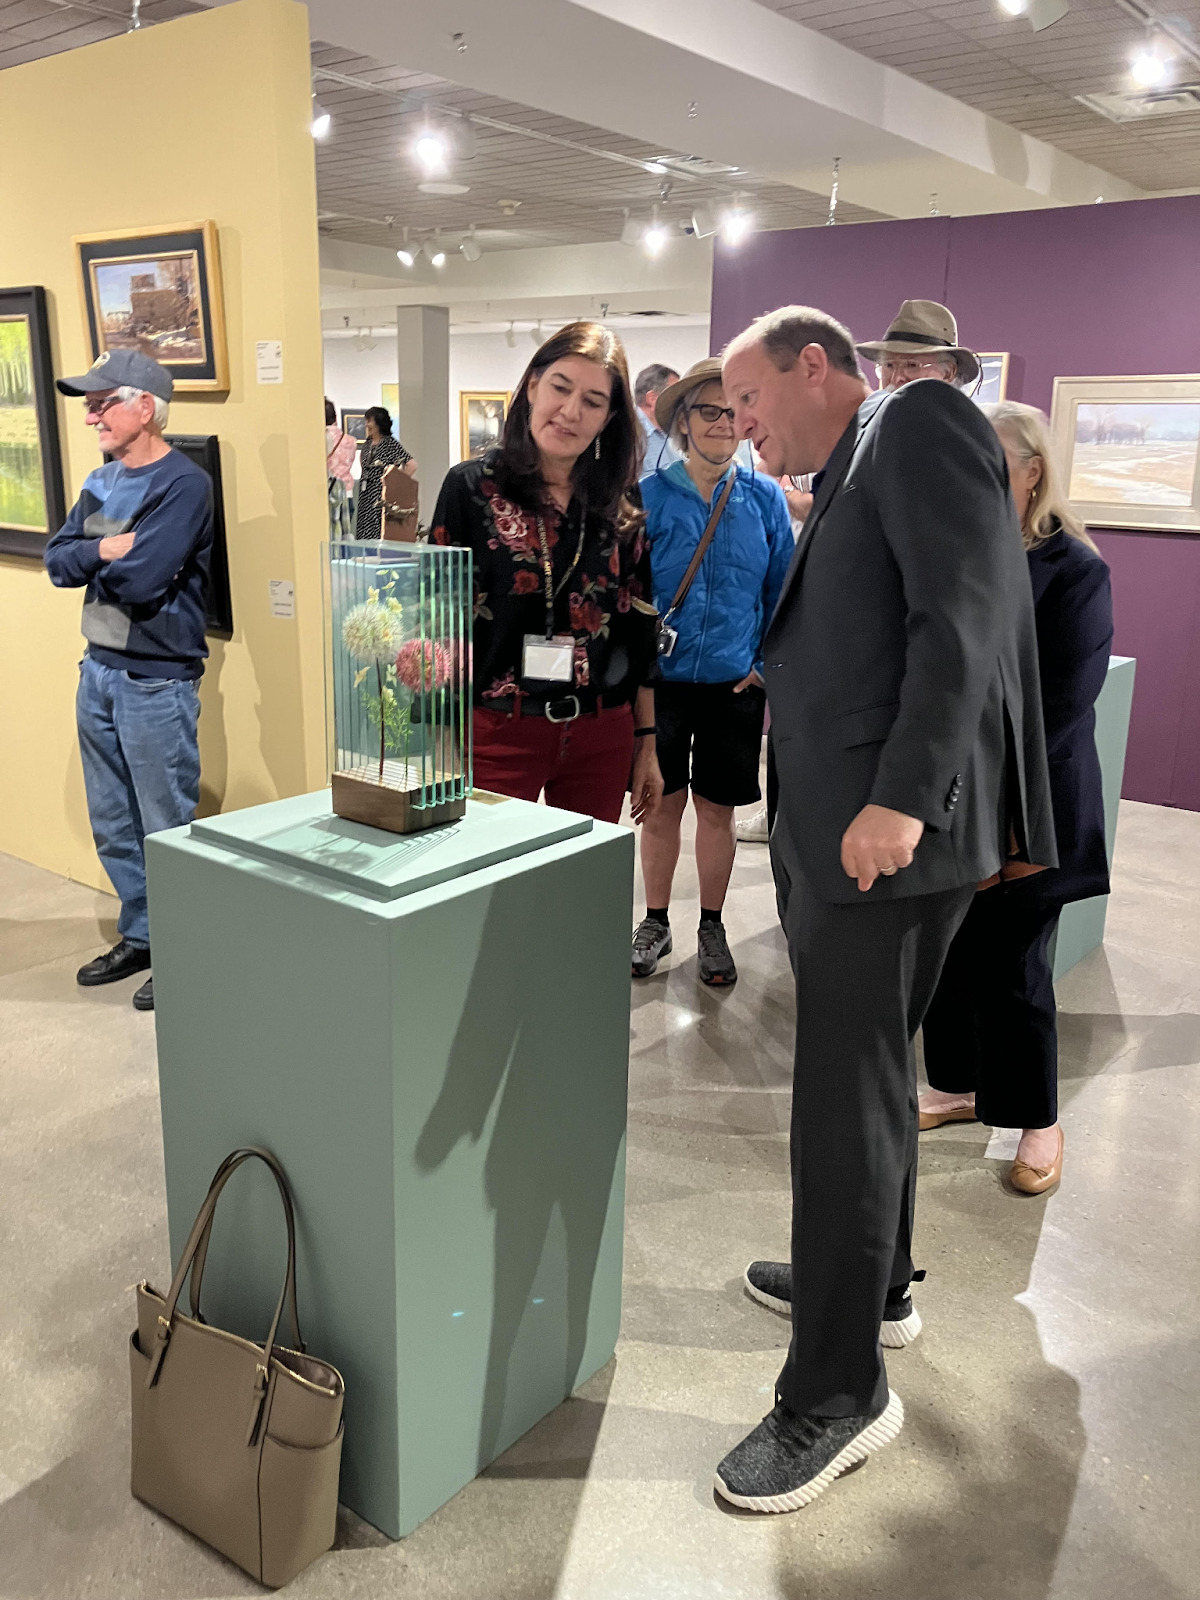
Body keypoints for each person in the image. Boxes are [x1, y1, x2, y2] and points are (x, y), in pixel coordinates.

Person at [715, 306, 1055, 1513]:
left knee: (842, 1100)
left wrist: (904, 799)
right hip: (851, 832)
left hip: (884, 839)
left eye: (751, 398)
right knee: (866, 1083)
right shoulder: (859, 457)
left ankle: (835, 1395)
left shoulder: (916, 422)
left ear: (817, 369)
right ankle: (877, 1289)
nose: (741, 425)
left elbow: (958, 618)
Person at [919, 401, 1113, 1194]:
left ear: (1034, 469)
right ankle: (958, 1085)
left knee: (1014, 965)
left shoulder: (1075, 569)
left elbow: (1066, 703)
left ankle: (1039, 1119)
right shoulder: (952, 552)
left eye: (993, 456)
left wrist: (1009, 830)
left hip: (1032, 812)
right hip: (950, 799)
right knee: (948, 953)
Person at [432, 321, 663, 826]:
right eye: (561, 387)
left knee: (582, 895)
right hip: (496, 731)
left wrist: (647, 744)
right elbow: (439, 625)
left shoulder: (620, 500)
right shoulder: (471, 489)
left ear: (608, 419)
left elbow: (637, 624)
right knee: (488, 890)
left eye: (593, 401)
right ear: (533, 385)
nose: (571, 411)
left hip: (601, 732)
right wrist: (440, 749)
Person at [43, 349, 214, 1013]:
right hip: (100, 670)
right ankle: (144, 935)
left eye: (103, 401)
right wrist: (104, 549)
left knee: (166, 827)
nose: (91, 416)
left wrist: (104, 558)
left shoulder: (185, 485)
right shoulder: (103, 482)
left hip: (156, 680)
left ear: (146, 406)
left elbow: (145, 580)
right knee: (114, 821)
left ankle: (187, 950)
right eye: (90, 403)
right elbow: (60, 563)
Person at [631, 358, 793, 985]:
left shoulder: (764, 500)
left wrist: (762, 668)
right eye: (709, 411)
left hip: (734, 689)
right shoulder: (647, 501)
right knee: (662, 808)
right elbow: (631, 598)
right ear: (682, 422)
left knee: (718, 812)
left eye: (733, 411)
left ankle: (711, 925)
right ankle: (654, 919)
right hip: (664, 689)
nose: (724, 423)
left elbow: (784, 593)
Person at [855, 299, 980, 393]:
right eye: (889, 365)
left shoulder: (962, 426)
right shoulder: (870, 423)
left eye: (911, 365)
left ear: (948, 373)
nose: (896, 378)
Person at [356, 406, 416, 541]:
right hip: (366, 494)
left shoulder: (390, 444)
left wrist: (395, 485)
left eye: (369, 421)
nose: (367, 425)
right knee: (365, 530)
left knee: (379, 529)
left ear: (379, 422)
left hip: (380, 494)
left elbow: (412, 465)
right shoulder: (367, 444)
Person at [633, 363, 682, 471]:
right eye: (675, 395)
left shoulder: (670, 434)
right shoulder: (628, 435)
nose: (681, 402)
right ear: (652, 399)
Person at [326, 398, 356, 538]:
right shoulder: (351, 440)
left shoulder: (319, 438)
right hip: (347, 492)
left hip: (328, 492)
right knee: (345, 536)